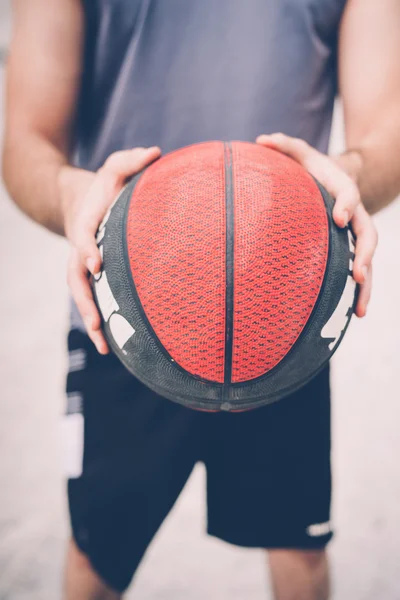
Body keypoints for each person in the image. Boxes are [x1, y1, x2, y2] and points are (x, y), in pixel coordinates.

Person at [2, 1, 399, 599]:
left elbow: (386, 133)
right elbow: (26, 142)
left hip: (285, 302)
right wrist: (73, 195)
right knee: (95, 557)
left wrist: (343, 177)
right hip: (128, 304)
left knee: (300, 549)